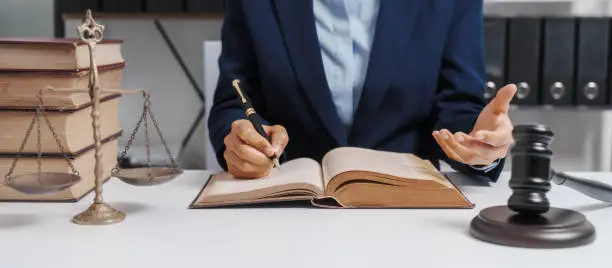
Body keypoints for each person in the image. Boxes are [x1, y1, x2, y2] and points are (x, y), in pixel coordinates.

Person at [208, 0, 516, 182]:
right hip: (288, 201)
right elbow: (234, 102)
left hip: (410, 210)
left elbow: (457, 106)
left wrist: (480, 140)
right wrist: (241, 144)